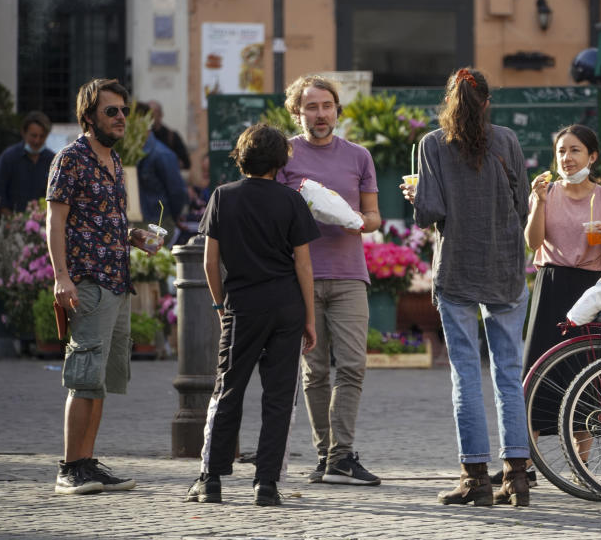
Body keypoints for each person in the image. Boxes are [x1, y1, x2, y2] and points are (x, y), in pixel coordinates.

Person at [401, 67, 531, 507]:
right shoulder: (508, 141)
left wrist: (414, 195)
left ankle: (475, 478)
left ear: (450, 102)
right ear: (488, 103)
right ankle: (517, 476)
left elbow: (431, 211)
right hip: (506, 267)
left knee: (465, 374)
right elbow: (521, 204)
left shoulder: (432, 144)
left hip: (457, 268)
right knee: (509, 374)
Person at [186, 123, 319, 507]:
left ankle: (210, 480)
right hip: (286, 307)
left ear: (241, 157)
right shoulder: (292, 201)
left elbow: (210, 261)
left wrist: (219, 302)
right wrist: (309, 317)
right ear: (280, 162)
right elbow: (304, 266)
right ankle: (267, 484)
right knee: (279, 397)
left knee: (228, 388)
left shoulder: (223, 197)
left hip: (242, 305)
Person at [46, 78, 159, 495]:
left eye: (124, 111)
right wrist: (61, 276)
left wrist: (135, 238)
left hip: (117, 280)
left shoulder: (114, 162)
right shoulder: (70, 158)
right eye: (112, 111)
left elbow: (104, 221)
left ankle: (87, 463)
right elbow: (55, 221)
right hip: (87, 281)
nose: (121, 118)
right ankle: (69, 468)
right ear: (89, 115)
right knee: (84, 374)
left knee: (101, 378)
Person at [276, 75, 383, 487]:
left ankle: (341, 456)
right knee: (315, 370)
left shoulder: (358, 156)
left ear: (337, 109)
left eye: (326, 106)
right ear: (297, 112)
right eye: (310, 107)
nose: (320, 115)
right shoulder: (284, 154)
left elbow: (372, 216)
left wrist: (355, 220)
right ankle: (327, 456)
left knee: (353, 365)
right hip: (299, 277)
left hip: (349, 274)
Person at [522, 124, 601, 465]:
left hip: (589, 291)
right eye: (561, 151)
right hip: (550, 284)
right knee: (536, 372)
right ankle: (525, 464)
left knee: (583, 375)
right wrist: (538, 202)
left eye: (575, 150)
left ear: (592, 156)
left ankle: (580, 466)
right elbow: (533, 243)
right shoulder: (545, 192)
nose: (566, 158)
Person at [0, 110, 55, 213]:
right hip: (12, 223)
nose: (37, 141)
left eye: (41, 136)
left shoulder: (52, 160)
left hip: (43, 224)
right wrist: (12, 220)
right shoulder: (9, 157)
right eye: (33, 136)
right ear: (24, 133)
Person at [138, 129, 187, 233]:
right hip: (139, 225)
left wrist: (172, 218)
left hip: (159, 224)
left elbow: (177, 192)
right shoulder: (131, 153)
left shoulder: (162, 154)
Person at [147, 100, 191, 170]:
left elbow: (186, 163)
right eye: (147, 112)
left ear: (161, 114)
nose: (150, 115)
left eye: (154, 112)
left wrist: (168, 162)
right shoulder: (142, 137)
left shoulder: (172, 136)